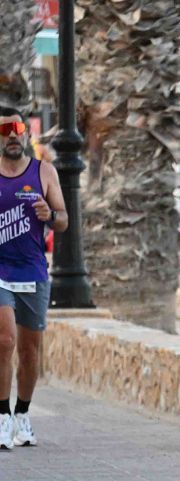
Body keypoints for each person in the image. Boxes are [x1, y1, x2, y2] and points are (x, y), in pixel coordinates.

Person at [0, 107, 69, 448]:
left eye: (17, 128)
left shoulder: (44, 172)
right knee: (5, 341)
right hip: (1, 272)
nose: (12, 135)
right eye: (5, 130)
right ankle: (1, 417)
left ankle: (22, 415)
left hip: (33, 271)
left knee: (29, 350)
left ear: (26, 133)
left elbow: (64, 220)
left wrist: (50, 213)